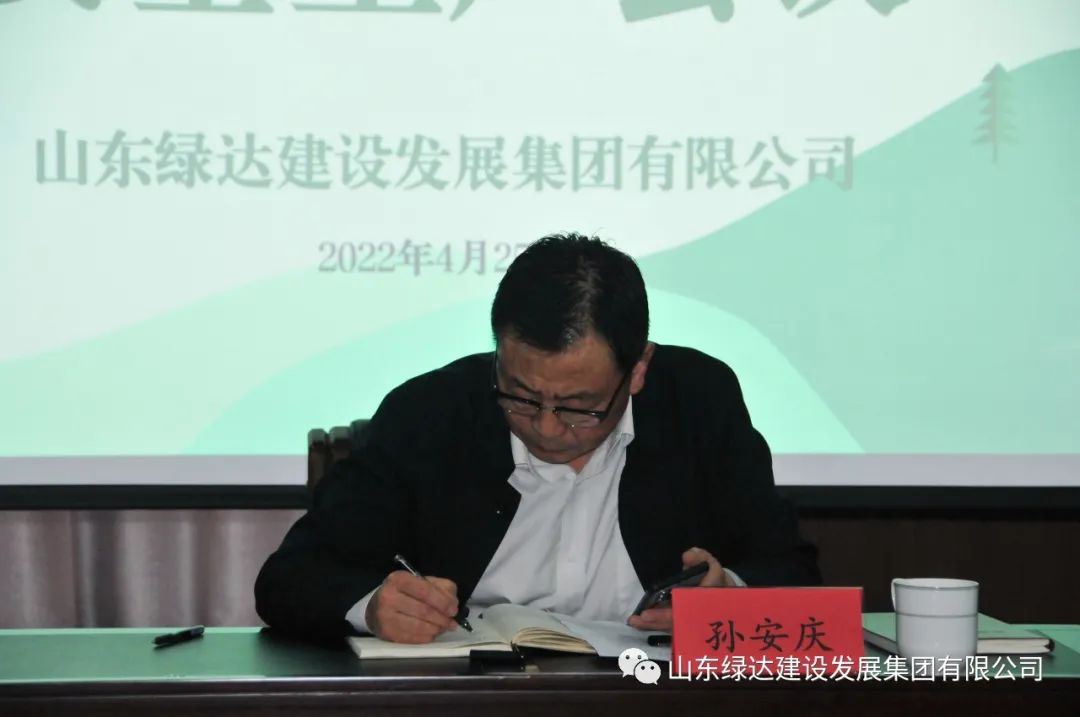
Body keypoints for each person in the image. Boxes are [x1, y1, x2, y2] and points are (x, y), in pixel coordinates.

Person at [255, 232, 820, 644]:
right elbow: (291, 578)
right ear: (498, 353)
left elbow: (789, 568)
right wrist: (372, 606)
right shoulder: (430, 413)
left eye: (579, 407)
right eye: (521, 397)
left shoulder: (696, 401)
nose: (546, 427)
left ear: (638, 369)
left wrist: (731, 598)